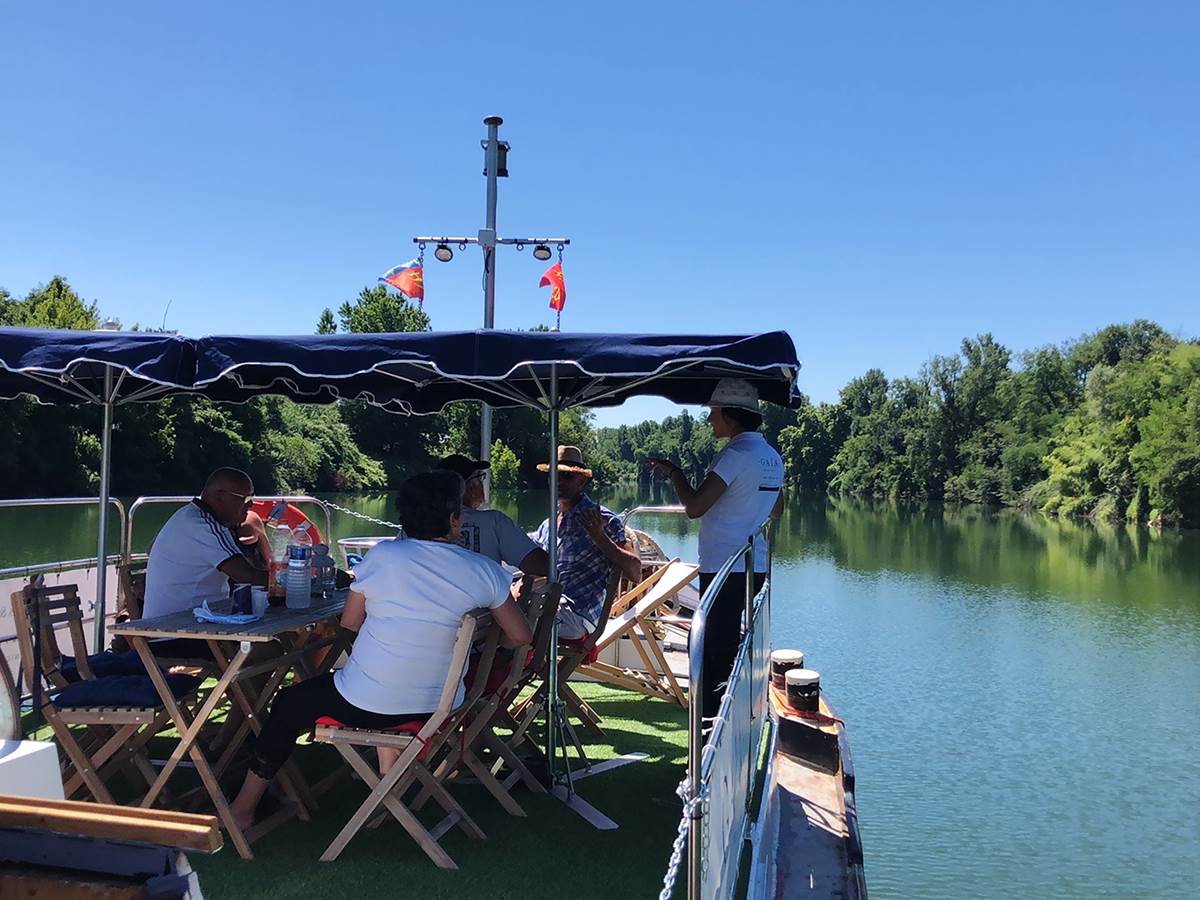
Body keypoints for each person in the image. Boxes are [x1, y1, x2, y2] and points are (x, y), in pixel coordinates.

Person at [229, 470, 531, 830]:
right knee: (375, 677)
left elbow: (350, 624)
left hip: (368, 703)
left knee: (288, 704)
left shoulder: (382, 557)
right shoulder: (484, 571)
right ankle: (390, 784)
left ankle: (243, 809)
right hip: (443, 705)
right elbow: (520, 636)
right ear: (454, 519)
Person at [647, 379, 784, 720]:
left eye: (713, 412)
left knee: (711, 651)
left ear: (730, 414)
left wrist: (675, 473)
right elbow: (777, 507)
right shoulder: (771, 457)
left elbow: (694, 507)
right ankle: (730, 716)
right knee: (729, 641)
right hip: (755, 564)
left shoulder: (735, 455)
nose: (709, 420)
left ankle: (709, 728)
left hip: (725, 567)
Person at [141, 468, 268, 657]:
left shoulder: (189, 516)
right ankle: (233, 688)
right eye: (245, 499)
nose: (249, 508)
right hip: (176, 635)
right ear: (219, 497)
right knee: (267, 647)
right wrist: (296, 581)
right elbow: (249, 576)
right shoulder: (204, 526)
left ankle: (235, 687)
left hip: (183, 626)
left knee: (269, 640)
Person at [533, 446, 642, 640]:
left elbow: (635, 572)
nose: (559, 481)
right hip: (548, 605)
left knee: (511, 624)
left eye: (567, 476)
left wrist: (600, 538)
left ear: (582, 481)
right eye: (554, 475)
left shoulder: (602, 519)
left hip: (577, 615)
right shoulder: (548, 524)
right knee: (500, 613)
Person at [437, 454, 549, 575]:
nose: (482, 483)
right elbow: (543, 567)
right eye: (480, 478)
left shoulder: (423, 527)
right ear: (469, 488)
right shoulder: (494, 522)